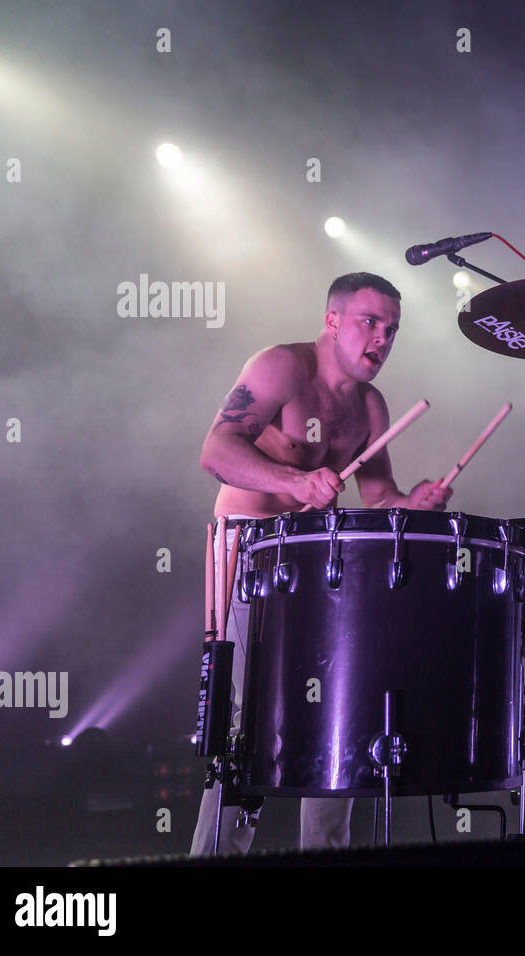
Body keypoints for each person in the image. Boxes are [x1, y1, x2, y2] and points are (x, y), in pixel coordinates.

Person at [190, 272, 451, 856]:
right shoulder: (282, 366)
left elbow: (381, 501)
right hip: (248, 550)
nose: (381, 339)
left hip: (318, 563)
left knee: (344, 704)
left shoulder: (371, 407)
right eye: (370, 322)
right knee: (245, 720)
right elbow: (216, 452)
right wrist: (294, 479)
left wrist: (419, 502)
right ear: (332, 320)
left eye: (392, 330)